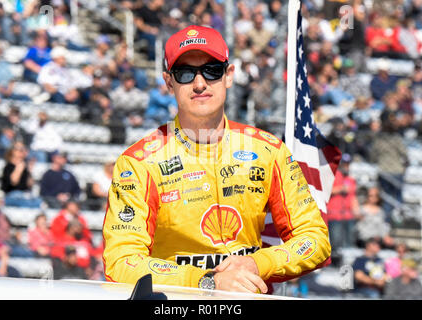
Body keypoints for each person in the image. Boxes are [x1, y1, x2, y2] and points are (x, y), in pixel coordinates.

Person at [102, 25, 331, 293]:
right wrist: (207, 281)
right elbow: (121, 262)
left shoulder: (269, 151)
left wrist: (258, 263)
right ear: (169, 82)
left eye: (212, 70)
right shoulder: (138, 164)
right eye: (185, 73)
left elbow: (315, 239)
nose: (199, 84)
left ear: (229, 75)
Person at [326, 154, 360, 252]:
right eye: (344, 164)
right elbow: (326, 191)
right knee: (335, 241)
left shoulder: (351, 180)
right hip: (334, 215)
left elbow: (353, 196)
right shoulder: (333, 176)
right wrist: (340, 189)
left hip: (348, 216)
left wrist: (356, 211)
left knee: (349, 241)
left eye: (348, 164)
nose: (346, 166)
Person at [0, 141, 42, 208]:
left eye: (23, 149)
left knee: (39, 201)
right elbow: (13, 181)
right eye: (20, 149)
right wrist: (19, 168)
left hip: (24, 194)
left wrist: (29, 170)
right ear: (13, 151)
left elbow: (29, 184)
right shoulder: (9, 166)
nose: (22, 152)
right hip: (11, 195)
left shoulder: (24, 166)